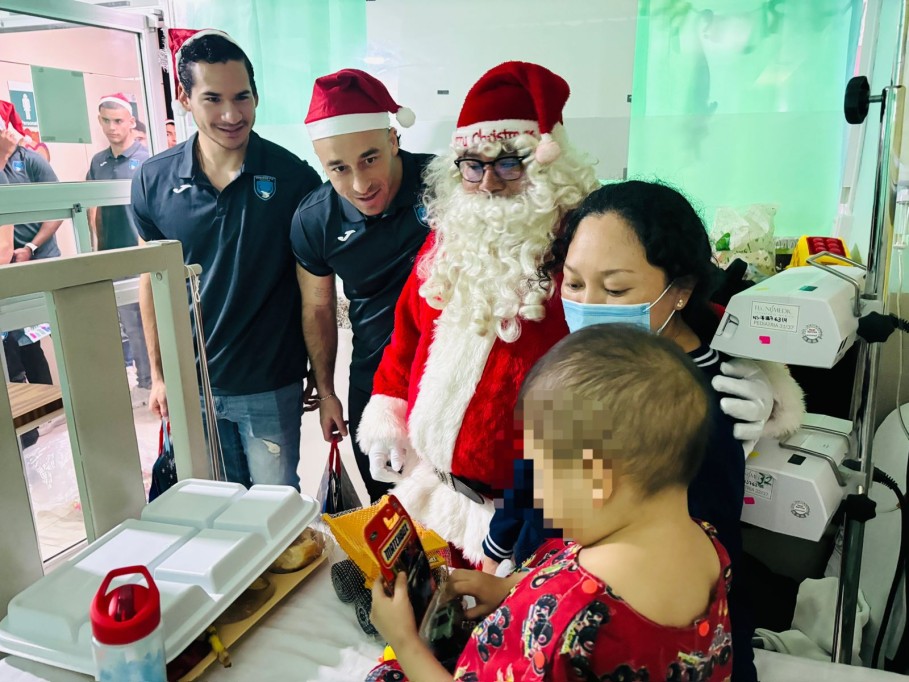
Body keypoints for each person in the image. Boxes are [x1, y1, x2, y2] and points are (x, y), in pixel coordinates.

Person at [356, 61, 799, 567]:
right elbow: (408, 334)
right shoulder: (449, 242)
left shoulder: (583, 235)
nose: (488, 183)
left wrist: (758, 374)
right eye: (472, 166)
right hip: (437, 498)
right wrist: (389, 406)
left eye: (509, 163)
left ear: (547, 162)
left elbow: (664, 304)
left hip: (548, 522)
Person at [490, 180, 776, 681]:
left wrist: (541, 604)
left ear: (681, 290)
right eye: (574, 284)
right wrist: (505, 559)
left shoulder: (695, 406)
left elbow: (676, 577)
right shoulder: (587, 362)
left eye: (616, 289)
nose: (587, 304)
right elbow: (534, 468)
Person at [368, 324, 735, 681]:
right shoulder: (707, 546)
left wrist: (405, 643)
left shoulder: (561, 612)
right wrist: (511, 587)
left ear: (594, 480)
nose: (535, 494)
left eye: (538, 471)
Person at [130, 30, 321, 488]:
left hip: (269, 382)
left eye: (242, 97)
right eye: (213, 98)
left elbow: (315, 289)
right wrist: (159, 375)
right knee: (214, 509)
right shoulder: (154, 180)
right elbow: (151, 284)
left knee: (277, 516)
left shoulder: (293, 178)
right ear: (184, 97)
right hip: (189, 384)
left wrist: (322, 375)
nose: (232, 115)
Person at [291, 68, 430, 502]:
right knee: (388, 508)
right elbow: (316, 308)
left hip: (447, 371)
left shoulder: (444, 185)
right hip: (376, 380)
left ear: (393, 140)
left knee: (456, 509)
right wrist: (328, 392)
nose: (360, 184)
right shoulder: (314, 220)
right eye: (339, 168)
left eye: (370, 159)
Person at [87, 92, 152, 405]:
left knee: (152, 318)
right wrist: (97, 248)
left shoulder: (146, 159)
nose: (112, 127)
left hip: (141, 251)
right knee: (131, 325)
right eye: (106, 121)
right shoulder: (98, 162)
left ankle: (159, 379)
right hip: (113, 255)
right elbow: (93, 206)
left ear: (131, 122)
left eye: (118, 121)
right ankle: (144, 381)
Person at [1, 122, 63, 448]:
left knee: (33, 339)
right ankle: (31, 419)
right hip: (8, 268)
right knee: (13, 342)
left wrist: (31, 248)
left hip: (37, 261)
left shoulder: (31, 160)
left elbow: (58, 208)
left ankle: (51, 407)